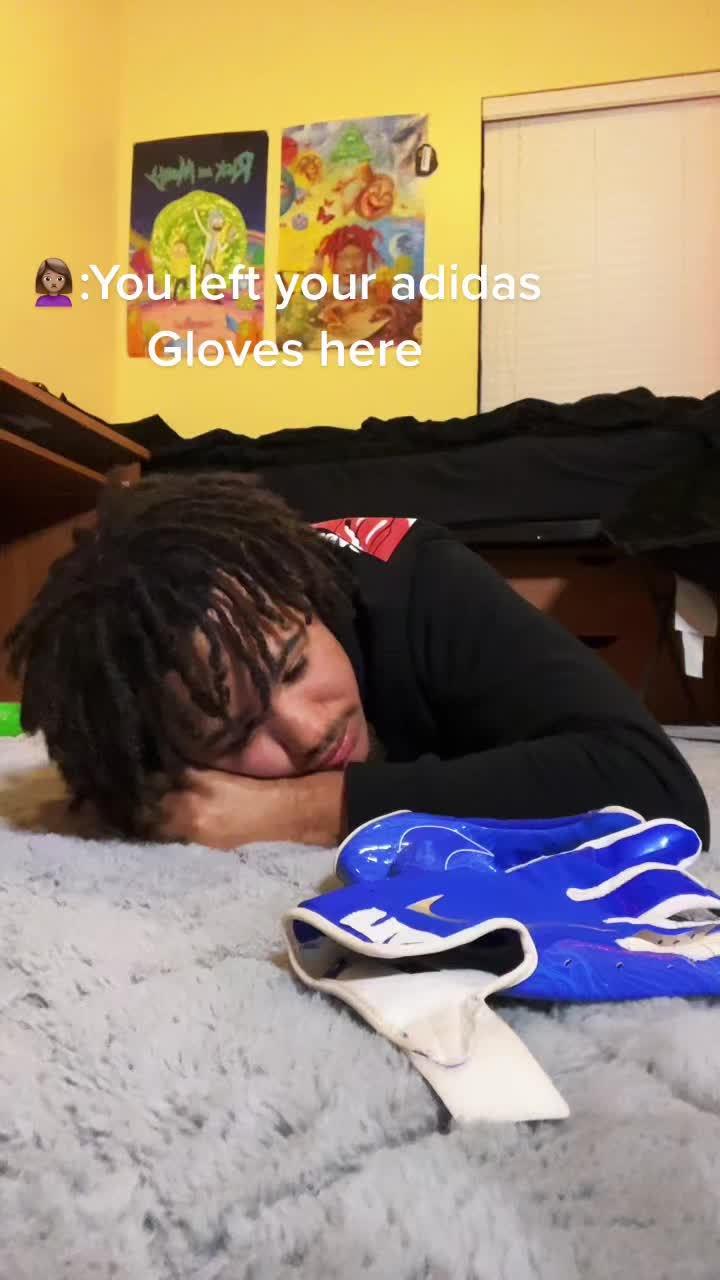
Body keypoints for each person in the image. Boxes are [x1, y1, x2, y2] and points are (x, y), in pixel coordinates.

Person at [5, 471, 710, 852]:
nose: (309, 731)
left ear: (309, 598)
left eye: (293, 666)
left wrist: (308, 808)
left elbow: (657, 790)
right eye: (237, 732)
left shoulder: (421, 581)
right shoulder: (147, 725)